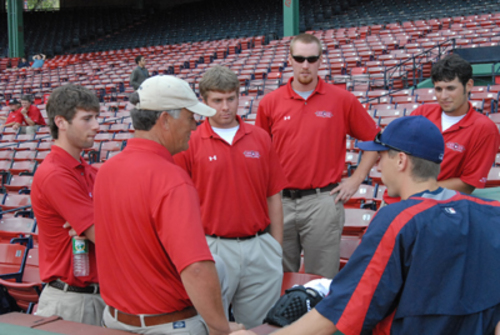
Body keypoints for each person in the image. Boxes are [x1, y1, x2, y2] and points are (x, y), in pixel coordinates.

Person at [232, 115, 500, 335]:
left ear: (401, 160)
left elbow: (341, 310)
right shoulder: (491, 212)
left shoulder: (397, 219)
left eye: (383, 156)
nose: (378, 166)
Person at [94, 75, 244, 335]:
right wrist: (222, 327)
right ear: (164, 120)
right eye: (188, 118)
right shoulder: (171, 178)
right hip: (168, 325)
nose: (194, 126)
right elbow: (195, 267)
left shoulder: (107, 170)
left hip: (116, 320)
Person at [256, 33, 380, 278]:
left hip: (323, 200)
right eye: (299, 58)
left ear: (320, 60)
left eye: (311, 59)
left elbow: (374, 141)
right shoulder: (269, 103)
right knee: (277, 277)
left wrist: (356, 179)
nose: (305, 65)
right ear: (289, 59)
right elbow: (259, 154)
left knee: (322, 280)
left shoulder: (342, 100)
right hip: (280, 202)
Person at [174, 66, 287, 329]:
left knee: (259, 327)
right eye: (217, 100)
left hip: (259, 246)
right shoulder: (189, 142)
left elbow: (274, 195)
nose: (225, 107)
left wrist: (275, 246)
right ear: (204, 101)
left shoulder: (260, 138)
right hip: (211, 246)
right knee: (213, 326)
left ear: (239, 97)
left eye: (230, 99)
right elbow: (179, 202)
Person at [383, 54, 500, 205]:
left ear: (469, 85)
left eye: (451, 88)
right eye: (438, 89)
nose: (443, 96)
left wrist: (413, 191)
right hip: (393, 201)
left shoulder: (485, 129)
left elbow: (467, 184)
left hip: (433, 207)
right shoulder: (422, 113)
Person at [31, 85, 104, 325]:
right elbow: (105, 235)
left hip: (95, 298)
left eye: (96, 117)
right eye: (87, 119)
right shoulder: (55, 174)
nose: (97, 126)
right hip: (72, 303)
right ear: (61, 122)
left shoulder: (88, 171)